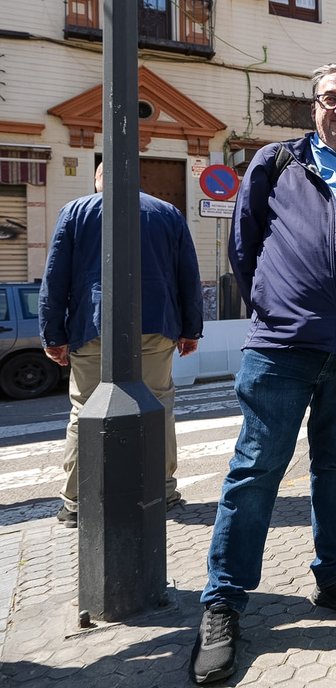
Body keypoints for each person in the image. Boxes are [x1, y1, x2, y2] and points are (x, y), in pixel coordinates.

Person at [190, 64, 336, 685]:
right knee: (256, 470)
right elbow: (246, 244)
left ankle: (335, 579)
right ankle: (224, 602)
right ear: (313, 109)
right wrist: (278, 303)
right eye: (329, 98)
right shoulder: (277, 161)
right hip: (284, 346)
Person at [40, 161, 203, 529]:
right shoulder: (167, 213)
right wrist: (191, 328)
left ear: (98, 180)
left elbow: (56, 277)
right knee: (158, 405)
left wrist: (54, 334)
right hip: (155, 324)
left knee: (84, 410)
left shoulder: (76, 211)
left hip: (92, 326)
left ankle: (76, 501)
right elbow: (187, 275)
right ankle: (161, 490)